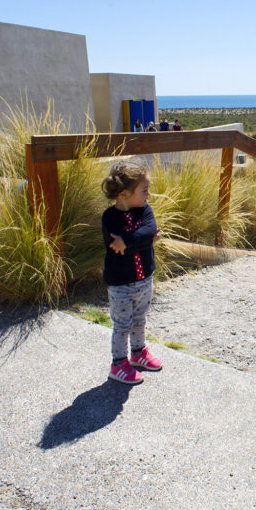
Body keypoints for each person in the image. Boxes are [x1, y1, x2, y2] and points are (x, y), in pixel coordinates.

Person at [101, 161, 163, 384]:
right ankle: (118, 364)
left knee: (139, 320)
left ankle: (138, 353)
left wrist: (127, 241)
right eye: (144, 190)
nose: (148, 194)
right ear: (124, 194)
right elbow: (116, 246)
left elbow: (149, 230)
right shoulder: (109, 217)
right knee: (122, 325)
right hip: (121, 285)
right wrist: (143, 240)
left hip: (144, 280)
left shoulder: (145, 210)